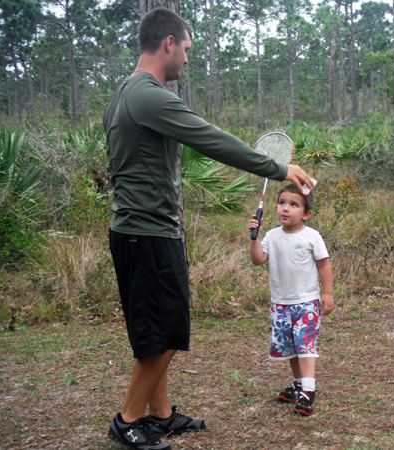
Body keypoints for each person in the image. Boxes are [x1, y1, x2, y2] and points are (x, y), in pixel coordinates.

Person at [103, 8, 315, 450]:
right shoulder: (151, 96)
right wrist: (278, 168)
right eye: (187, 49)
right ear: (168, 44)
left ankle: (160, 415)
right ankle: (127, 421)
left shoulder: (123, 92)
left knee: (155, 329)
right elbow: (212, 138)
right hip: (148, 233)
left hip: (138, 231)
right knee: (167, 327)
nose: (188, 59)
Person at [249, 184, 334, 416]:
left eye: (294, 205)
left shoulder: (311, 236)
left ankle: (308, 392)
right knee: (292, 348)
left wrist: (327, 293)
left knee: (306, 346)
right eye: (282, 203)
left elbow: (324, 264)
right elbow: (258, 259)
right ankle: (299, 385)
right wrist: (254, 237)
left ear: (306, 214)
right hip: (280, 304)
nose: (285, 208)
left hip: (306, 302)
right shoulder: (271, 236)